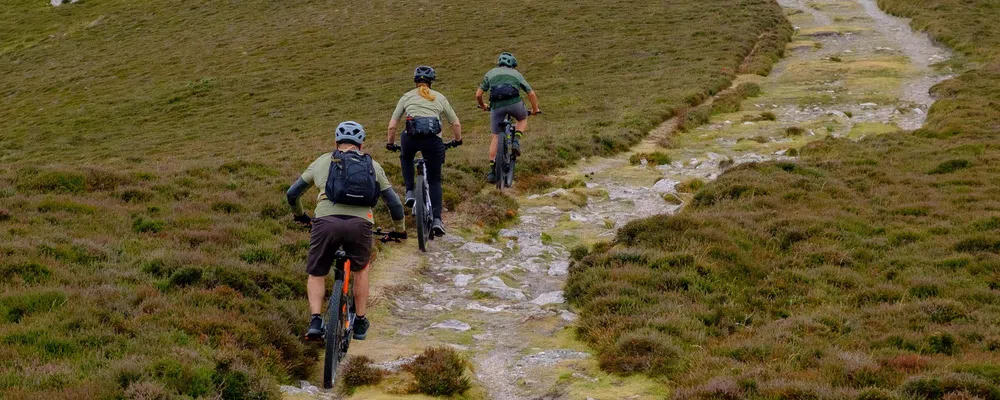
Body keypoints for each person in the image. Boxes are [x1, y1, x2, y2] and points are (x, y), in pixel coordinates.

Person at [286, 121, 406, 341]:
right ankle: (360, 321)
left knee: (317, 272)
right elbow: (395, 204)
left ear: (336, 142)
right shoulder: (373, 165)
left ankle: (315, 321)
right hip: (360, 225)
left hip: (325, 222)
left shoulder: (323, 161)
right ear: (361, 145)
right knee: (361, 270)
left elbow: (292, 194)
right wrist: (399, 231)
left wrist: (301, 215)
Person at [387, 66, 462, 235]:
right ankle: (437, 219)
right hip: (433, 141)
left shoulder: (407, 96)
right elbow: (455, 123)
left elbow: (392, 126)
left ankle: (410, 192)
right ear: (431, 82)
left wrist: (390, 144)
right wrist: (458, 140)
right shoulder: (440, 97)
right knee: (435, 180)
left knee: (406, 157)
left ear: (415, 82)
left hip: (410, 138)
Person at [475, 52, 541, 183]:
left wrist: (483, 105)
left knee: (495, 137)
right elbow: (531, 93)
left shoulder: (490, 73)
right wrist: (535, 109)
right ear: (512, 65)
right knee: (522, 119)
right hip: (515, 104)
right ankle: (516, 140)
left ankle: (492, 171)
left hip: (496, 106)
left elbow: (478, 94)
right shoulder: (516, 74)